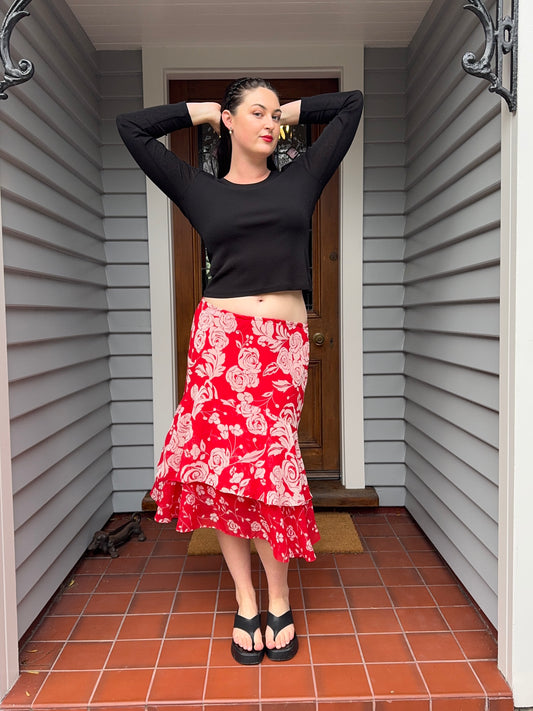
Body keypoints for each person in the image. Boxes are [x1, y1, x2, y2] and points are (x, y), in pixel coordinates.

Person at [116, 78, 363, 665]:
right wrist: (201, 111)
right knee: (226, 477)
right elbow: (131, 128)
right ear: (228, 121)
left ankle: (279, 596)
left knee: (272, 472)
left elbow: (351, 105)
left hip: (280, 351)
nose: (270, 123)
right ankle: (246, 599)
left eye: (276, 116)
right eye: (257, 112)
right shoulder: (198, 188)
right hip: (220, 346)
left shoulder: (301, 178)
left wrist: (288, 111)